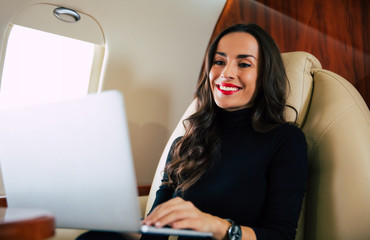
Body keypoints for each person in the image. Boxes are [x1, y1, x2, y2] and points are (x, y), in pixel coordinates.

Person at [77, 23, 307, 240]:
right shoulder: (184, 144)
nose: (226, 73)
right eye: (219, 62)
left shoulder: (285, 140)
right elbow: (154, 232)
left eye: (244, 64)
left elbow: (281, 235)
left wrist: (217, 226)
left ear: (265, 75)